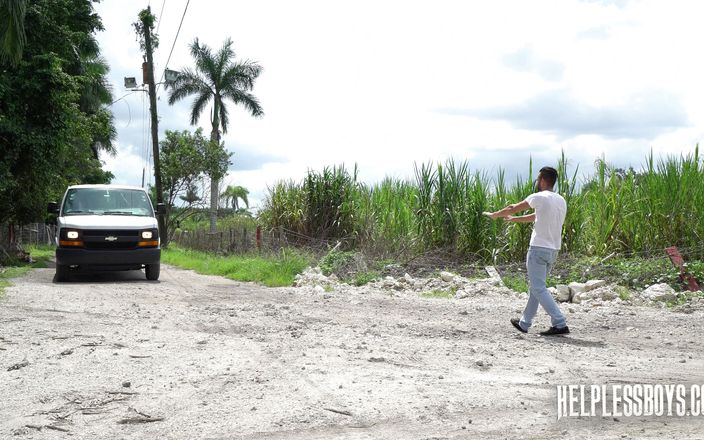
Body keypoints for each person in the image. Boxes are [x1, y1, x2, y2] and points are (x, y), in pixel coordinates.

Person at [484, 166, 569, 336]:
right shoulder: (560, 200)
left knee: (538, 288)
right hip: (553, 250)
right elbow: (536, 217)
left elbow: (513, 206)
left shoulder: (539, 197)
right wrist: (514, 219)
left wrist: (495, 215)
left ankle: (559, 323)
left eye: (539, 179)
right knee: (536, 288)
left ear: (543, 180)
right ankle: (524, 323)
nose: (538, 182)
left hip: (538, 249)